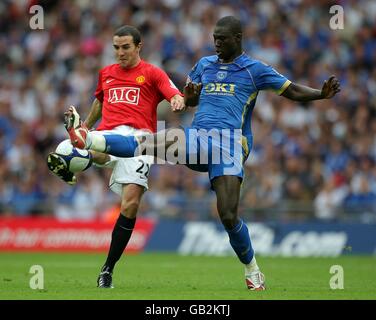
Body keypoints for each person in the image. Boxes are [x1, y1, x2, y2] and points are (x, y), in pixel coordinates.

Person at [64, 16, 340, 290]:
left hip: (231, 145)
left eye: (222, 39)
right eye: (214, 39)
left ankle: (252, 270)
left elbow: (290, 90)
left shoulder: (254, 69)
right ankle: (89, 141)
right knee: (149, 142)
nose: (217, 43)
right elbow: (190, 101)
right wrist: (190, 94)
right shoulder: (204, 65)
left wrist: (320, 94)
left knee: (228, 216)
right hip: (198, 138)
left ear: (237, 39)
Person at [47, 25, 184, 288]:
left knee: (130, 205)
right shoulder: (106, 74)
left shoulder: (152, 73)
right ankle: (79, 149)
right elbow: (100, 102)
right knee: (95, 147)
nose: (120, 53)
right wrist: (86, 124)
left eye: (125, 47)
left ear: (138, 47)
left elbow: (172, 91)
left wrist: (177, 99)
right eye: (116, 48)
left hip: (140, 141)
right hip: (109, 133)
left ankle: (107, 268)